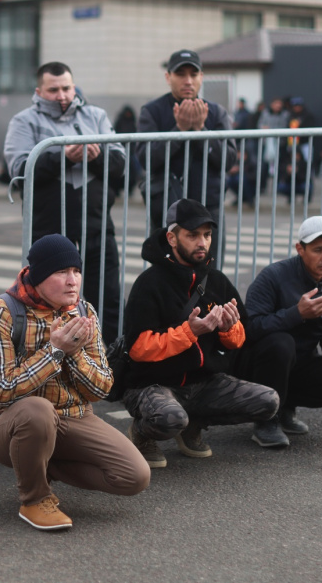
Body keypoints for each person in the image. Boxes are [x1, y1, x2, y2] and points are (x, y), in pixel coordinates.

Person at [0, 234, 150, 531]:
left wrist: (74, 352)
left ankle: (39, 463)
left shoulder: (83, 311)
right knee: (38, 411)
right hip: (9, 423)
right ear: (39, 276)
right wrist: (54, 351)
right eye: (61, 272)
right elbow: (0, 390)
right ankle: (34, 499)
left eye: (76, 271)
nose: (72, 281)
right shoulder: (1, 312)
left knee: (134, 476)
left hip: (73, 416)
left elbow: (102, 388)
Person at [121, 199, 279, 467]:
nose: (202, 242)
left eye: (207, 235)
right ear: (172, 238)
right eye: (193, 235)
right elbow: (137, 348)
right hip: (152, 384)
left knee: (268, 402)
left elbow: (241, 338)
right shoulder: (150, 283)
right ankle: (142, 433)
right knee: (169, 418)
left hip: (202, 383)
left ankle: (193, 423)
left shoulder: (216, 281)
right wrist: (189, 332)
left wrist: (229, 329)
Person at [4, 61, 126, 343]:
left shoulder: (95, 115)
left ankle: (110, 354)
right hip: (48, 228)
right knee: (48, 297)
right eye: (53, 90)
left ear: (74, 87)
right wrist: (63, 157)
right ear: (39, 92)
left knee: (107, 295)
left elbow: (120, 164)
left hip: (96, 223)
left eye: (67, 88)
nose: (61, 95)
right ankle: (46, 350)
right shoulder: (23, 121)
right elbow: (19, 169)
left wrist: (97, 157)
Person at [242, 216, 322, 447]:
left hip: (299, 366)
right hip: (256, 367)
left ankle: (284, 406)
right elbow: (249, 329)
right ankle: (265, 419)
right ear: (300, 249)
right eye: (318, 250)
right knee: (282, 343)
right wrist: (297, 313)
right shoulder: (273, 276)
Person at [137, 49, 236, 236]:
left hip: (208, 206)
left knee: (209, 255)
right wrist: (179, 130)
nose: (188, 81)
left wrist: (201, 131)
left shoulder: (216, 112)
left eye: (193, 74)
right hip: (167, 206)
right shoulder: (152, 111)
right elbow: (146, 159)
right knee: (166, 255)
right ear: (168, 77)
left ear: (201, 77)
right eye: (180, 74)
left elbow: (228, 160)